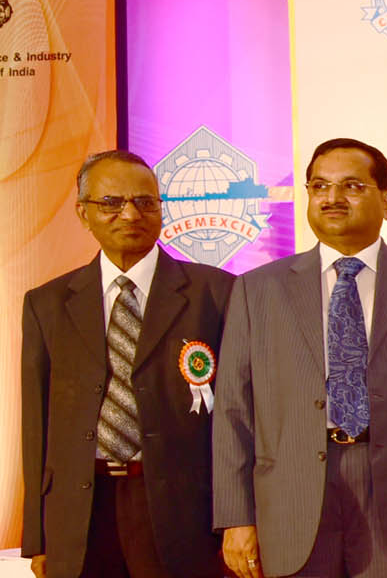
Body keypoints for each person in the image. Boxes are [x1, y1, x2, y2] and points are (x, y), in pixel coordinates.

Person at [212, 138, 387, 578]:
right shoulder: (256, 290)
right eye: (319, 186)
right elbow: (233, 410)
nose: (332, 198)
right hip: (293, 496)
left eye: (352, 186)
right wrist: (236, 516)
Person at [20, 151, 232, 578]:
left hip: (186, 513)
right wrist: (38, 537)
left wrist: (238, 519)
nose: (131, 214)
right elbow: (36, 425)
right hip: (81, 511)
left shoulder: (216, 292)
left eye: (145, 202)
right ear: (83, 213)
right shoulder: (47, 303)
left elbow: (239, 416)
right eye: (112, 203)